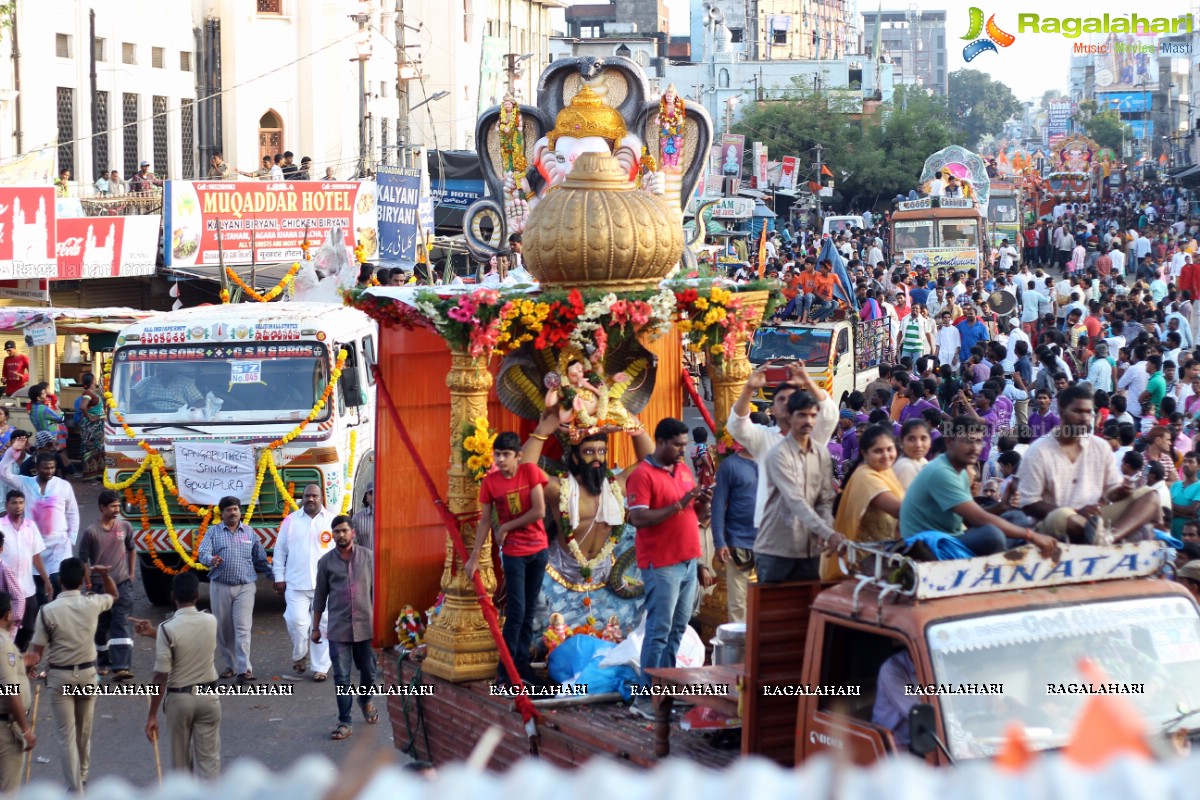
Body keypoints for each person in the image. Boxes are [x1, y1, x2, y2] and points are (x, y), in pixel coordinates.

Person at [625, 418, 710, 720]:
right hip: (661, 564)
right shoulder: (642, 475)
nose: (682, 451)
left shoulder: (684, 470)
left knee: (677, 629)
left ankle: (667, 687)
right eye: (677, 445)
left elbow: (693, 515)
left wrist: (703, 505)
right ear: (660, 442)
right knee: (659, 631)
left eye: (685, 446)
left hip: (687, 561)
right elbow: (638, 519)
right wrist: (680, 503)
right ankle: (644, 697)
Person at [1017, 386, 1163, 544]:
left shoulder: (1100, 446)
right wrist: (1076, 512)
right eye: (1078, 411)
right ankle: (1099, 536)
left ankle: (1107, 539)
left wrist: (1124, 491)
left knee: (1150, 495)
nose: (1085, 418)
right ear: (1061, 411)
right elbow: (1029, 504)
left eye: (1088, 412)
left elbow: (1112, 492)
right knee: (1063, 515)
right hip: (1054, 524)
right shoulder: (1038, 450)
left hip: (1094, 521)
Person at [899, 417, 1060, 557]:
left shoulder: (960, 470)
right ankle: (1004, 566)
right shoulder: (941, 472)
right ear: (950, 442)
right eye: (968, 441)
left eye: (978, 441)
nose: (975, 448)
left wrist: (1002, 506)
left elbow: (970, 518)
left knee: (1016, 517)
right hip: (931, 544)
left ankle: (1008, 557)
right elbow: (979, 519)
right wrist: (1031, 536)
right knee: (992, 534)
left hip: (952, 536)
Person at [25, 557, 117, 792]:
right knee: (84, 732)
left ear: (61, 581)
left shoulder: (47, 611)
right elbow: (113, 596)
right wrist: (105, 575)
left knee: (66, 736)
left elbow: (36, 651)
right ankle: (83, 775)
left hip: (60, 677)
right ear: (81, 580)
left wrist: (28, 665)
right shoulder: (92, 603)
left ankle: (75, 788)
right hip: (87, 674)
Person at [464, 432, 548, 686]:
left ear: (518, 456)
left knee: (529, 610)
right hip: (513, 554)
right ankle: (505, 671)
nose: (500, 460)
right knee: (517, 612)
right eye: (497, 454)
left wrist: (507, 526)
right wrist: (474, 557)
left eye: (505, 455)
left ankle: (522, 666)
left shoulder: (530, 472)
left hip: (538, 550)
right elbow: (485, 521)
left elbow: (539, 511)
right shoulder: (490, 482)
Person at [136, 571, 221, 779]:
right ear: (197, 596)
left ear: (172, 595)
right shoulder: (210, 621)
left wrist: (152, 715)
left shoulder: (167, 629)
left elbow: (160, 677)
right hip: (209, 698)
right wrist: (154, 633)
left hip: (180, 700)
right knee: (209, 763)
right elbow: (187, 636)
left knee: (181, 767)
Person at [758, 391, 844, 581]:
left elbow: (825, 498)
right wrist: (828, 533)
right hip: (777, 548)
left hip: (811, 547)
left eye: (813, 415)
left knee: (807, 607)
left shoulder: (821, 453)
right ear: (789, 416)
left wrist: (826, 527)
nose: (808, 421)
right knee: (772, 608)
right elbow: (795, 501)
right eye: (802, 415)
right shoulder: (778, 454)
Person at [312, 516, 377, 742]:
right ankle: (345, 721)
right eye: (336, 531)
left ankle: (365, 699)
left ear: (353, 533)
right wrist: (315, 628)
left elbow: (377, 593)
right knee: (341, 677)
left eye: (344, 531)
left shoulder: (369, 558)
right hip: (338, 629)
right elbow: (319, 597)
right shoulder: (326, 562)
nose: (340, 535)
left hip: (366, 627)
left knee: (369, 672)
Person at [197, 496, 271, 683]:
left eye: (235, 509)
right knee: (223, 629)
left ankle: (244, 669)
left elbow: (261, 559)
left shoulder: (249, 533)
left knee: (243, 628)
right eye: (228, 510)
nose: (232, 512)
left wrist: (275, 579)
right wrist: (210, 560)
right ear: (222, 514)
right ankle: (230, 665)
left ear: (240, 511)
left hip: (245, 587)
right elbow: (202, 552)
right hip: (220, 586)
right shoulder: (213, 532)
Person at [273, 484, 336, 681]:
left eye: (314, 496)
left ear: (321, 498)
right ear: (302, 498)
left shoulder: (332, 520)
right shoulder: (291, 521)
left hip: (325, 585)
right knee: (297, 622)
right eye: (307, 496)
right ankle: (300, 654)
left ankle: (320, 668)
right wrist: (279, 578)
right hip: (296, 583)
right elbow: (280, 551)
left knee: (324, 625)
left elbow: (341, 552)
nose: (310, 499)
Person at [826, 425, 905, 579]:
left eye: (890, 449)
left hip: (882, 557)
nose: (886, 455)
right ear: (864, 453)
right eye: (878, 451)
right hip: (865, 563)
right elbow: (900, 510)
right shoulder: (866, 477)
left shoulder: (884, 471)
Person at [0, 445, 78, 602]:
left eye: (52, 468)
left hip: (58, 545)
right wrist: (12, 452)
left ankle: (55, 613)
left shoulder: (63, 486)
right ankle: (41, 617)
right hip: (33, 546)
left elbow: (72, 512)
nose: (49, 471)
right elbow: (3, 473)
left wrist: (71, 538)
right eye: (45, 468)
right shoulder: (25, 483)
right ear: (36, 468)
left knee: (57, 581)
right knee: (37, 587)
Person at [74, 490, 135, 681]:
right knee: (101, 626)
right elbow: (83, 559)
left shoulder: (124, 526)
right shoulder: (91, 532)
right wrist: (88, 582)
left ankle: (122, 666)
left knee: (121, 623)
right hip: (99, 588)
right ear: (102, 507)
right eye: (112, 506)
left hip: (122, 585)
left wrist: (131, 573)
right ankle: (103, 661)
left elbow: (131, 549)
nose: (117, 509)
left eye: (118, 505)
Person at [710, 443, 757, 622]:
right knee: (738, 603)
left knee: (766, 602)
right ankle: (739, 649)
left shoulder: (771, 462)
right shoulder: (730, 465)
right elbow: (718, 505)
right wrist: (719, 541)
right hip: (738, 543)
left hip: (768, 544)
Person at [0, 489, 48, 651]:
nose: (18, 506)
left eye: (21, 502)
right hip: (5, 589)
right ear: (6, 505)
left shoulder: (30, 526)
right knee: (6, 627)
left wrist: (46, 580)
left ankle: (18, 656)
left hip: (27, 588)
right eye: (14, 502)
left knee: (28, 628)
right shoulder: (1, 526)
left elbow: (36, 556)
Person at [0, 591, 33, 791]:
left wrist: (21, 664)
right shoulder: (4, 646)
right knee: (8, 791)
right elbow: (10, 690)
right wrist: (25, 729)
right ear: (7, 615)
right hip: (5, 728)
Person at [28, 383, 71, 475]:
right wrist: (61, 412)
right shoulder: (44, 408)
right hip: (51, 437)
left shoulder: (31, 409)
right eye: (43, 394)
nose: (45, 395)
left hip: (40, 438)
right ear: (38, 398)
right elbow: (60, 418)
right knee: (55, 460)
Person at [74, 372, 104, 479]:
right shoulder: (88, 393)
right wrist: (89, 417)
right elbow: (83, 407)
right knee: (90, 448)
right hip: (92, 426)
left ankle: (97, 473)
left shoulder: (93, 393)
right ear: (92, 381)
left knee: (97, 449)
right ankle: (90, 474)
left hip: (97, 425)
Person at [1170, 452, 1200, 538]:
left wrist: (1172, 505)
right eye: (1185, 461)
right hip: (1173, 537)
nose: (1186, 464)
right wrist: (1185, 515)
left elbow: (1192, 510)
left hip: (1192, 539)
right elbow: (1167, 511)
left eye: (1191, 462)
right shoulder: (1175, 485)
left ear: (1198, 466)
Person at [350, 483, 374, 551]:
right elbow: (352, 543)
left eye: (378, 492)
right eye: (371, 493)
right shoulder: (357, 518)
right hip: (365, 560)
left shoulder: (392, 517)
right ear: (367, 496)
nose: (375, 496)